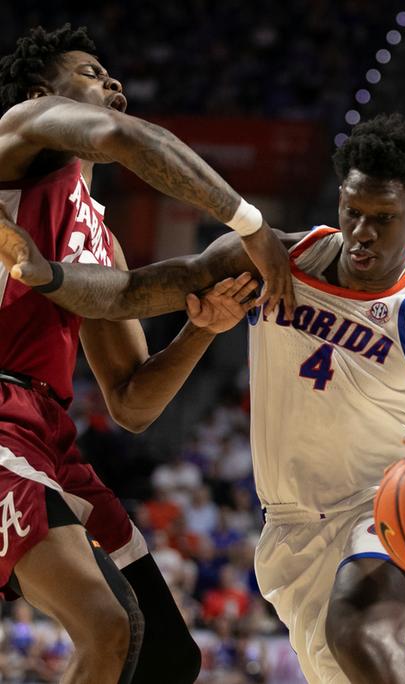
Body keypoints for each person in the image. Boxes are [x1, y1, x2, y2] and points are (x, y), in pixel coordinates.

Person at [4, 113, 405, 683]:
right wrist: (43, 271)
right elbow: (130, 293)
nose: (362, 232)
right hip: (290, 525)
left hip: (389, 502)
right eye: (353, 211)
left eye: (384, 218)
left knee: (362, 632)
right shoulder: (275, 261)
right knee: (359, 662)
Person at [0, 22, 278, 684]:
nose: (112, 83)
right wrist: (249, 223)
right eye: (92, 73)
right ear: (47, 93)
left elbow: (130, 402)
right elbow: (127, 140)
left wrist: (202, 328)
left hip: (47, 437)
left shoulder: (104, 241)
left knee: (164, 655)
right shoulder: (21, 132)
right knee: (105, 624)